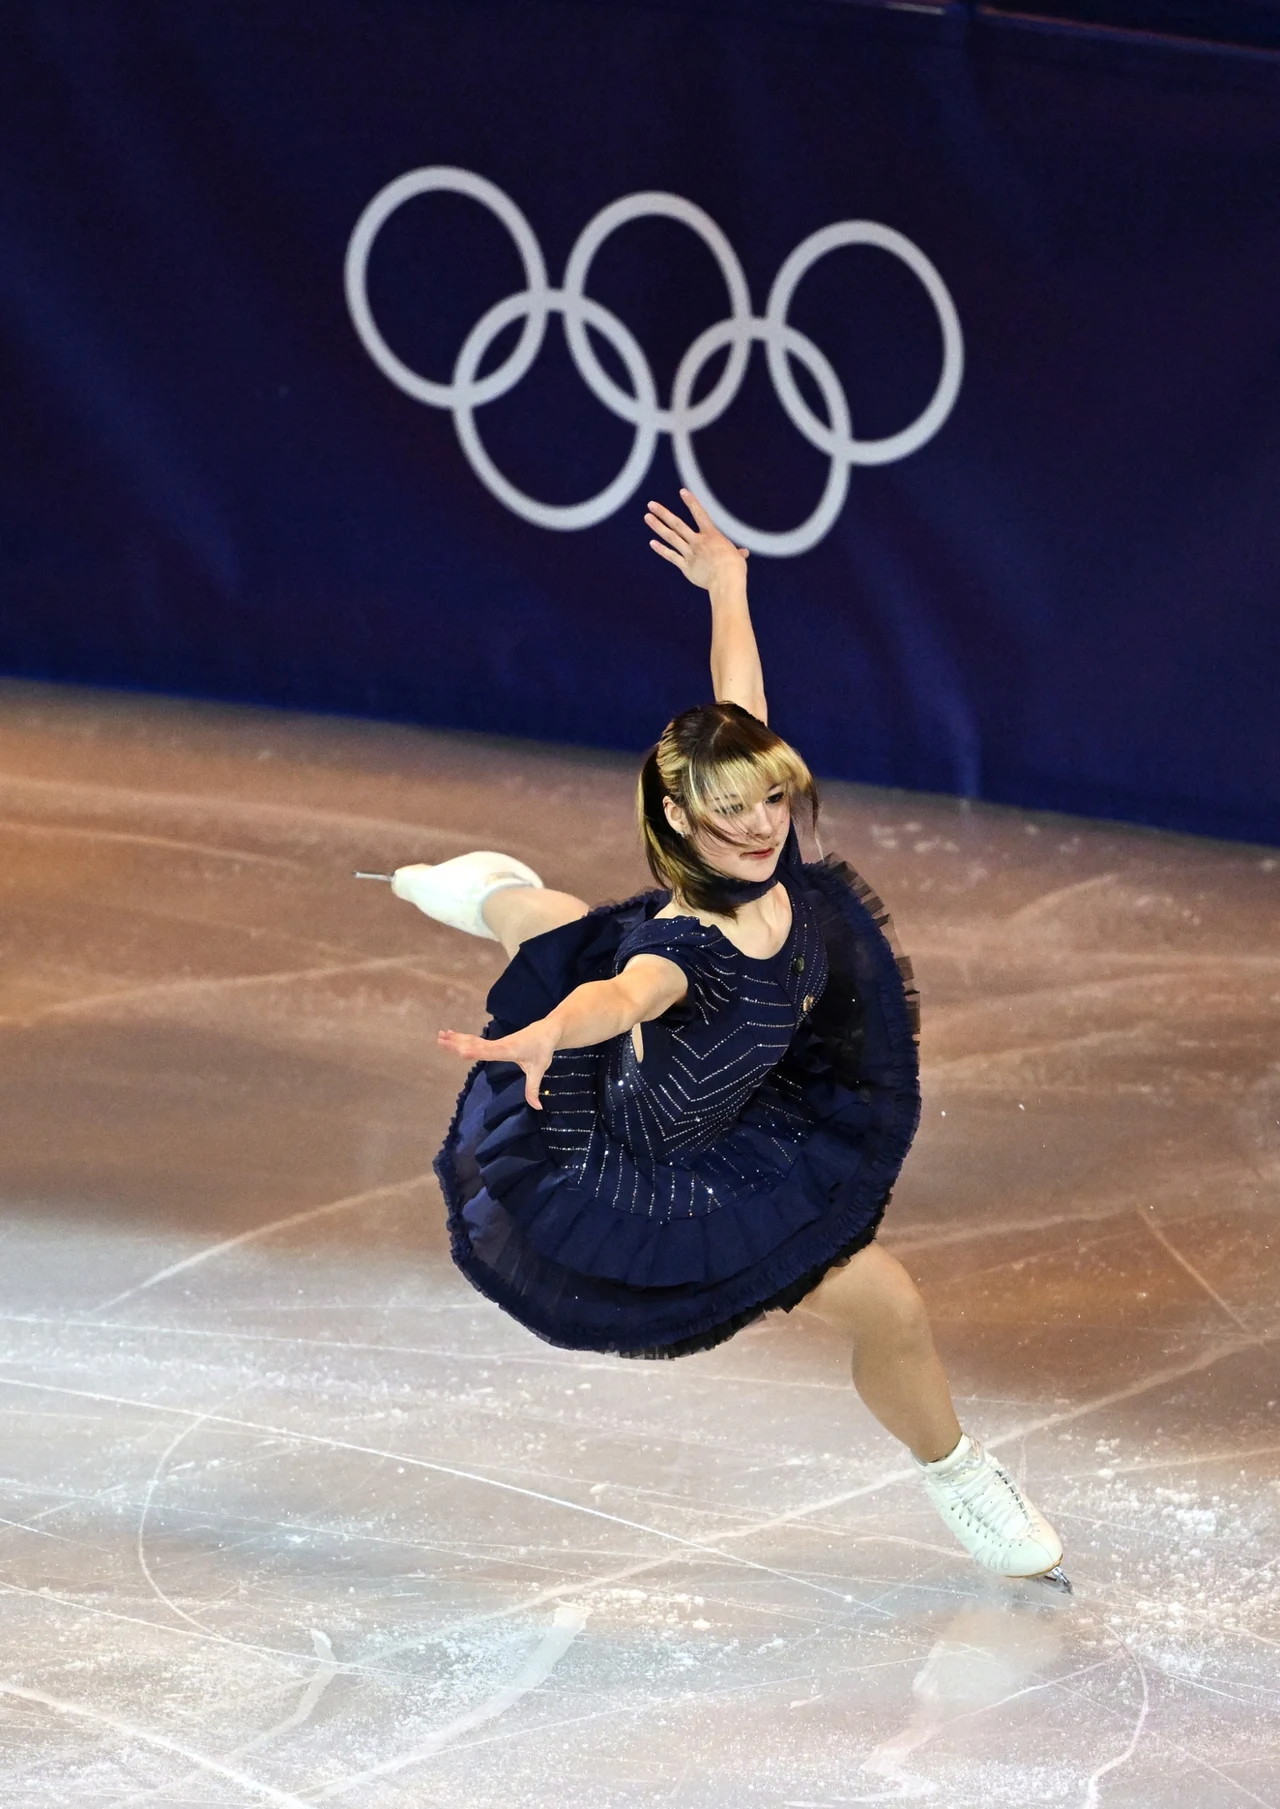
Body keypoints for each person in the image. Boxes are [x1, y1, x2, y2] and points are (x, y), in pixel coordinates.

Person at [392, 489, 1069, 1591]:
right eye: (728, 814)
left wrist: (728, 588)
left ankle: (952, 1471)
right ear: (679, 827)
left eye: (764, 800)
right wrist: (543, 1036)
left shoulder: (767, 851)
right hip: (659, 1164)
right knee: (567, 945)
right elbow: (613, 1002)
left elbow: (735, 701)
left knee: (558, 921)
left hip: (746, 1103)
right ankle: (469, 887)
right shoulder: (682, 950)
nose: (757, 826)